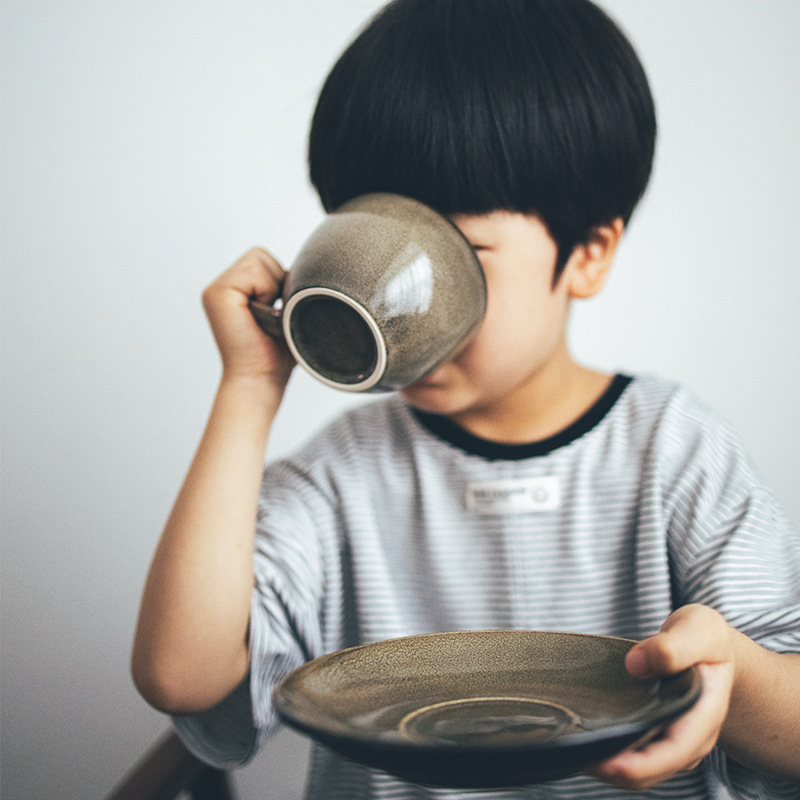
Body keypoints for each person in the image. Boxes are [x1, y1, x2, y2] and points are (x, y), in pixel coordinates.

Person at [131, 0, 800, 798]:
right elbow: (182, 676)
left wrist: (735, 677)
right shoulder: (337, 480)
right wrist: (248, 386)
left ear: (587, 254)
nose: (396, 304)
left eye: (464, 254)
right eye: (372, 239)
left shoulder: (674, 451)